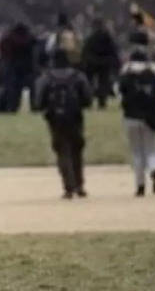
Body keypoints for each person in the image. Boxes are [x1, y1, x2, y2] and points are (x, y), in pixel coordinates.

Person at [32, 50, 93, 199]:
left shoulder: (46, 77)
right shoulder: (78, 76)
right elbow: (87, 98)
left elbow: (38, 101)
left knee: (62, 151)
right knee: (76, 151)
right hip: (75, 117)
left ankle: (68, 186)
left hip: (55, 119)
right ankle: (80, 185)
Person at [118, 42, 155, 196]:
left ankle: (140, 186)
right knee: (151, 149)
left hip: (131, 116)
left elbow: (120, 93)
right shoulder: (154, 72)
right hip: (149, 116)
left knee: (137, 152)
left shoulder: (126, 72)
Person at [0, 23, 37, 113]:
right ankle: (34, 107)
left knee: (13, 91)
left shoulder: (8, 39)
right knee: (32, 89)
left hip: (13, 67)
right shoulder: (30, 39)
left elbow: (4, 52)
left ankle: (12, 107)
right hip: (27, 67)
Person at [81, 19, 120, 109]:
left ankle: (88, 102)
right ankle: (102, 102)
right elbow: (113, 50)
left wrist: (85, 61)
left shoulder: (90, 37)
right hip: (104, 62)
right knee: (103, 83)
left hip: (92, 62)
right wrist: (114, 61)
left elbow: (85, 51)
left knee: (90, 83)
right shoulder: (107, 37)